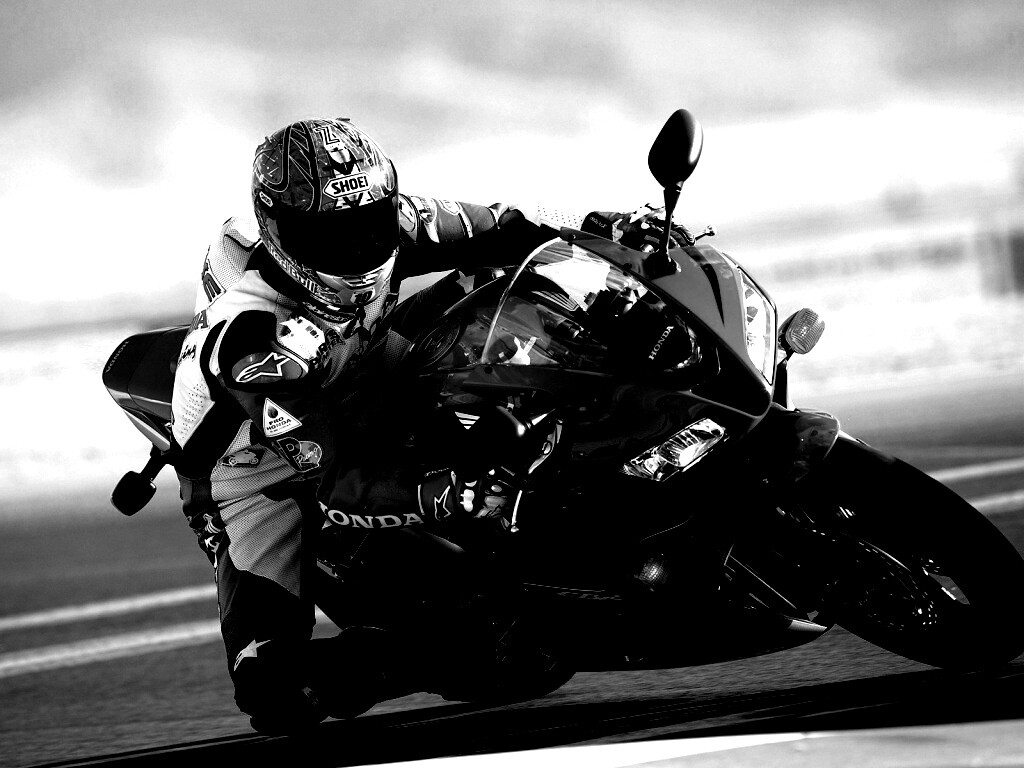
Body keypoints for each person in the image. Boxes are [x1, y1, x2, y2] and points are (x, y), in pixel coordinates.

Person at [169, 116, 688, 734]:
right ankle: (400, 648)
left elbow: (506, 224)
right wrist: (438, 491)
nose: (360, 248)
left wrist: (610, 228)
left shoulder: (393, 221)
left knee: (496, 282)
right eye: (332, 236)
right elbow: (334, 474)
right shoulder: (253, 339)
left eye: (371, 223)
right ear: (281, 234)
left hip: (366, 369)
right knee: (275, 689)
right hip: (264, 469)